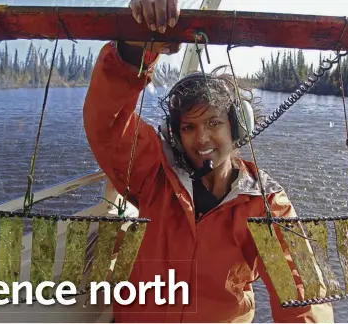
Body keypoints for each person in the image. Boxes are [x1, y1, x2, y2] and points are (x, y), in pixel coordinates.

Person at [83, 1, 334, 322]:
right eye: (189, 127)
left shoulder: (265, 203)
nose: (202, 139)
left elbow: (300, 289)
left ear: (236, 129)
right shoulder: (153, 172)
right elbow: (107, 121)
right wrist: (133, 48)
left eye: (214, 124)